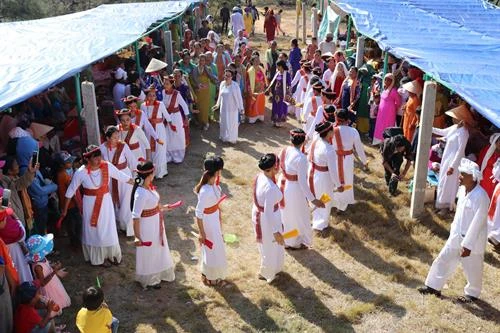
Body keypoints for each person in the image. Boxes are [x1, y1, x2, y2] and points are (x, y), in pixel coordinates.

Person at [419, 158, 489, 303]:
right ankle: (433, 286)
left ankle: (472, 294)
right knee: (443, 259)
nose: (460, 176)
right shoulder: (462, 190)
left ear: (473, 177)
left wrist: (468, 245)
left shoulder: (481, 196)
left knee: (473, 268)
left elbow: (478, 223)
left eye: (463, 174)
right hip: (456, 235)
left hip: (472, 241)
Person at [61, 145, 133, 267]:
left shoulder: (107, 166)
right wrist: (64, 210)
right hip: (90, 204)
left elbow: (123, 177)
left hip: (106, 203)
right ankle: (98, 258)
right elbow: (70, 191)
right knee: (95, 230)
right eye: (95, 158)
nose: (99, 159)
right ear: (88, 159)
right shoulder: (81, 172)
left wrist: (139, 183)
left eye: (99, 156)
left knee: (108, 228)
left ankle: (111, 254)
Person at [131, 161, 175, 289]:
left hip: (156, 223)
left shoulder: (148, 188)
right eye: (153, 172)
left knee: (158, 248)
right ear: (149, 175)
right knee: (150, 252)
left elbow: (153, 205)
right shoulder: (140, 193)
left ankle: (160, 274)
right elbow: (136, 216)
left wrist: (164, 208)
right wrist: (137, 237)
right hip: (147, 227)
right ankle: (150, 279)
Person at [279, 129, 324, 249]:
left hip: (282, 183)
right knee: (297, 215)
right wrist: (313, 199)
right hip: (293, 189)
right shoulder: (302, 158)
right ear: (304, 141)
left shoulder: (285, 150)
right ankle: (292, 242)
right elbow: (303, 182)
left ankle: (286, 237)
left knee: (286, 213)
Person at [432, 105, 473, 215]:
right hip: (447, 158)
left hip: (454, 161)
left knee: (449, 183)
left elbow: (460, 151)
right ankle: (440, 204)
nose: (453, 118)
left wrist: (452, 166)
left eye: (455, 117)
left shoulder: (464, 132)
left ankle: (446, 207)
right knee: (442, 181)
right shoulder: (455, 127)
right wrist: (426, 126)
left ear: (461, 118)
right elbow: (442, 132)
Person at [194, 156, 228, 286]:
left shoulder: (213, 185)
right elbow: (198, 213)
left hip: (214, 219)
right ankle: (209, 275)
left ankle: (215, 273)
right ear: (217, 172)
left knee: (217, 247)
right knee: (211, 249)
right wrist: (202, 233)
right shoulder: (205, 191)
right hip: (208, 222)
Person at [252, 153, 285, 282]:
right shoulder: (270, 188)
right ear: (274, 168)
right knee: (269, 247)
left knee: (267, 246)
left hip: (259, 213)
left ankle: (273, 268)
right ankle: (267, 272)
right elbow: (269, 212)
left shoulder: (260, 176)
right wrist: (275, 231)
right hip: (268, 219)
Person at [100, 126, 137, 237]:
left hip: (125, 176)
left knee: (126, 201)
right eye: (114, 138)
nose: (117, 139)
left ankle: (128, 227)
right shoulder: (102, 148)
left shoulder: (123, 146)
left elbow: (132, 161)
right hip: (111, 178)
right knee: (114, 201)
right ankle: (117, 226)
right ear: (107, 138)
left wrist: (135, 176)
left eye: (118, 137)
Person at [308, 121, 341, 235]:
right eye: (332, 129)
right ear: (328, 133)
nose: (333, 131)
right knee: (325, 199)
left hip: (313, 172)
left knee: (317, 197)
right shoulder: (329, 149)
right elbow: (333, 171)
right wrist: (339, 185)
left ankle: (316, 219)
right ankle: (321, 224)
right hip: (323, 177)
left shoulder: (316, 140)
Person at [331, 110, 368, 212]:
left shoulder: (332, 130)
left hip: (334, 157)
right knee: (346, 180)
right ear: (347, 119)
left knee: (334, 179)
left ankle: (333, 201)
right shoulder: (353, 131)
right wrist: (364, 161)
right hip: (347, 159)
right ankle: (342, 205)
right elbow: (359, 149)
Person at [26, 234, 71, 313]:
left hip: (52, 282)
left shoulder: (41, 259)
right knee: (53, 298)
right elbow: (42, 283)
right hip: (48, 287)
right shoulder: (38, 267)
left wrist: (53, 265)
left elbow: (46, 266)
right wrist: (54, 272)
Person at [141, 85, 173, 179]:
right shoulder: (143, 106)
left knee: (160, 150)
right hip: (149, 130)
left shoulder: (160, 104)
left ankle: (161, 172)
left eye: (153, 95)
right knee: (150, 150)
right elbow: (143, 119)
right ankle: (151, 172)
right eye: (150, 95)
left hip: (159, 129)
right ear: (147, 96)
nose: (152, 97)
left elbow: (167, 116)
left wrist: (171, 125)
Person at [0, 156, 36, 230]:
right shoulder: (4, 187)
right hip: (14, 226)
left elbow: (21, 183)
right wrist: (17, 220)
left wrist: (30, 172)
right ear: (9, 171)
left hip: (18, 223)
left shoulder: (11, 181)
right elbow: (5, 208)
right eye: (16, 164)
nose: (18, 166)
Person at [54, 151, 82, 249]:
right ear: (62, 165)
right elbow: (71, 192)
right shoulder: (64, 175)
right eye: (68, 162)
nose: (71, 163)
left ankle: (74, 243)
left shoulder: (61, 174)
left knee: (72, 225)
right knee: (76, 225)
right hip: (71, 205)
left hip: (67, 204)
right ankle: (76, 244)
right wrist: (78, 203)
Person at [0, 203, 32, 283]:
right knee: (21, 272)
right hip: (13, 250)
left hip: (8, 249)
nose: (9, 203)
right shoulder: (6, 226)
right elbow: (21, 235)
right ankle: (27, 290)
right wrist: (16, 218)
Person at [162, 76, 190, 163]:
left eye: (167, 84)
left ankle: (178, 156)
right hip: (167, 117)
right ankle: (168, 156)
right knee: (167, 135)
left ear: (171, 84)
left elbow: (184, 106)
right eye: (164, 83)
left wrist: (186, 118)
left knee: (177, 135)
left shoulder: (176, 94)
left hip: (176, 117)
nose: (165, 85)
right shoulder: (163, 92)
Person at [213, 69, 244, 144]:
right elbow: (220, 95)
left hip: (232, 109)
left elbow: (239, 98)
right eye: (225, 75)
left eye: (228, 76)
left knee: (232, 124)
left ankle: (231, 139)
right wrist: (217, 105)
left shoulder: (235, 86)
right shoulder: (222, 84)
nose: (226, 77)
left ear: (232, 77)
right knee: (223, 123)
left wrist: (241, 109)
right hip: (223, 109)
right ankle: (223, 137)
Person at [28, 165, 57, 236]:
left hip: (43, 202)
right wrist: (54, 186)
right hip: (38, 205)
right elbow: (40, 191)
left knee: (43, 225)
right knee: (39, 228)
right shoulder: (27, 171)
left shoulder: (35, 169)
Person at [191, 54, 218, 131]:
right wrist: (197, 86)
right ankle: (201, 123)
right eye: (200, 60)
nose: (201, 62)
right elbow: (192, 79)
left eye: (203, 60)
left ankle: (206, 123)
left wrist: (217, 83)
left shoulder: (208, 69)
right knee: (199, 106)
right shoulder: (194, 69)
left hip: (205, 90)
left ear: (205, 61)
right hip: (198, 90)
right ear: (198, 60)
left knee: (205, 107)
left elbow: (212, 77)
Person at [373, 73, 401, 144]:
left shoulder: (394, 91)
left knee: (387, 126)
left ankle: (386, 142)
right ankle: (379, 142)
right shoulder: (384, 89)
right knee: (380, 125)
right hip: (381, 112)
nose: (387, 81)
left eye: (389, 80)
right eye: (386, 79)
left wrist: (393, 108)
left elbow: (398, 102)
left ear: (392, 81)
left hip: (389, 113)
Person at [267, 60, 292, 127]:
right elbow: (273, 82)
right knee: (275, 106)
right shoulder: (277, 73)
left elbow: (289, 85)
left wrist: (288, 93)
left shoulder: (287, 74)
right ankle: (275, 121)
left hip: (283, 94)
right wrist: (270, 89)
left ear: (281, 66)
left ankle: (280, 122)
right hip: (276, 94)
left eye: (277, 66)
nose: (277, 67)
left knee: (281, 106)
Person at [245, 55, 267, 124]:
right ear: (252, 61)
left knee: (260, 103)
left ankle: (260, 116)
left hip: (261, 90)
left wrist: (265, 85)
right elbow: (248, 82)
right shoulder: (250, 71)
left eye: (258, 60)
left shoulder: (261, 68)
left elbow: (264, 78)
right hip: (253, 90)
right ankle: (252, 118)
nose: (257, 62)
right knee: (253, 104)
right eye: (256, 61)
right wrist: (250, 92)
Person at [478, 133, 500, 198]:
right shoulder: (488, 151)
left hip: (494, 181)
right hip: (484, 177)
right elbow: (481, 162)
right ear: (496, 142)